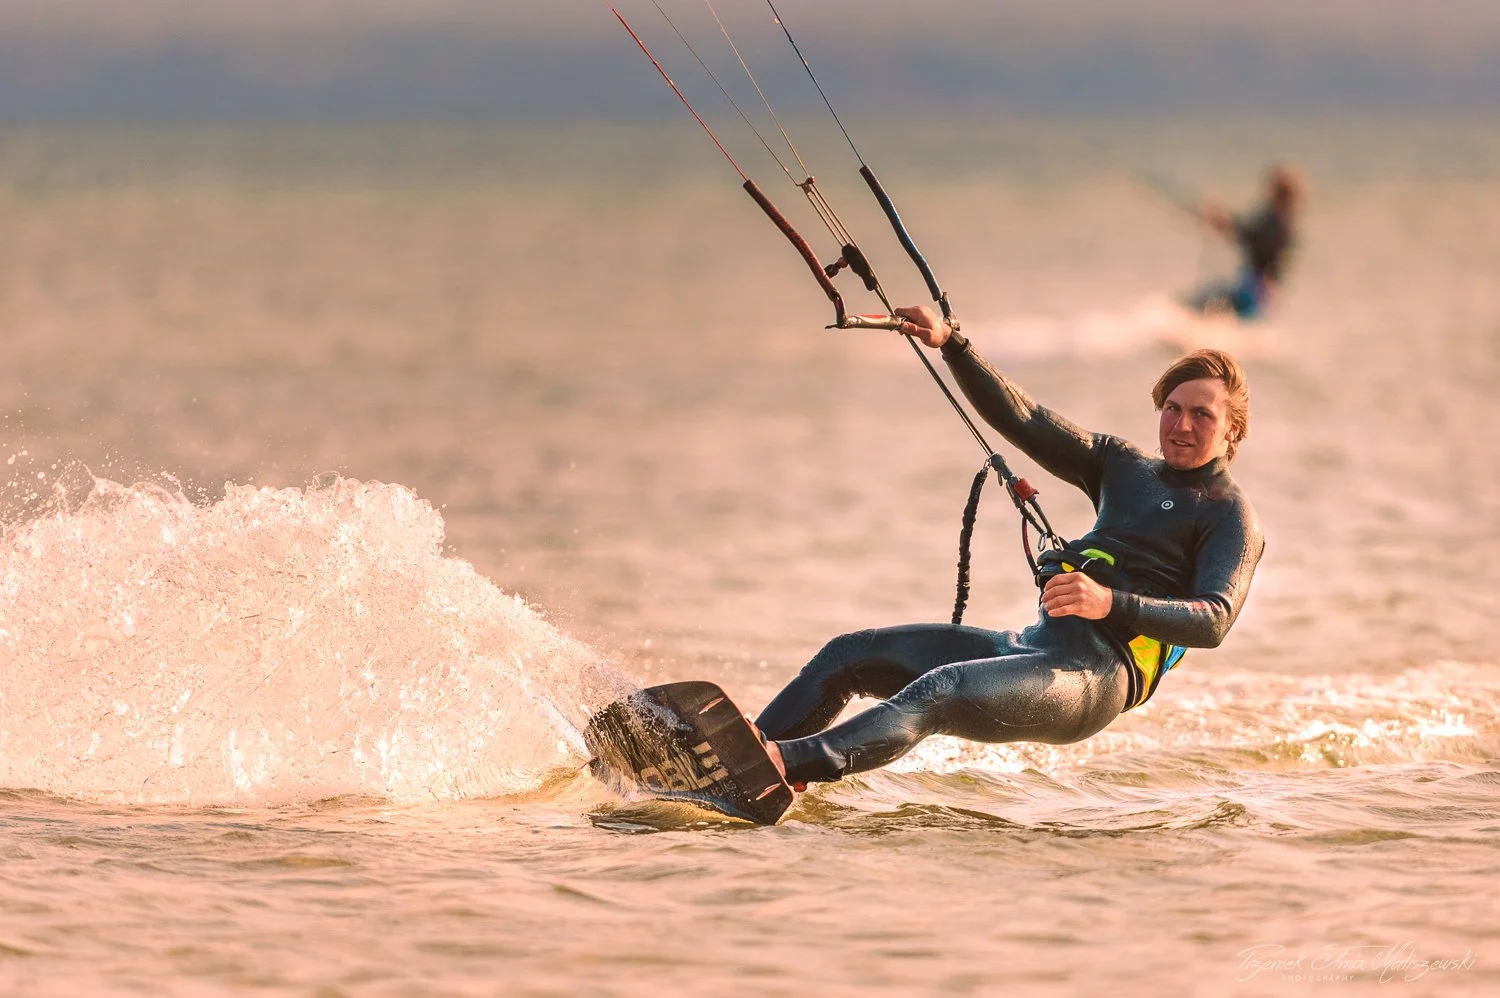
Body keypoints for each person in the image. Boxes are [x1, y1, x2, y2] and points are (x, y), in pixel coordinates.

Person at [758, 306, 1264, 787]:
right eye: (1172, 409)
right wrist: (953, 344)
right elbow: (1027, 418)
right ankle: (743, 751)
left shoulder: (1229, 514)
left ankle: (784, 763)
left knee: (938, 690)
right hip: (1032, 646)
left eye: (1202, 415)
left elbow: (1213, 619)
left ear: (1232, 429)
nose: (1180, 426)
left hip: (1093, 677)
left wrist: (1109, 602)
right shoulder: (1123, 467)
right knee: (847, 654)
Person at [1182, 163, 1303, 320]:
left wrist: (1222, 221)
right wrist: (1223, 222)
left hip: (1257, 290)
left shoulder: (1278, 224)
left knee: (1208, 303)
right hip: (1259, 288)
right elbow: (1248, 233)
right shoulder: (1279, 221)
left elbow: (1250, 237)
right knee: (1213, 300)